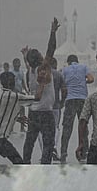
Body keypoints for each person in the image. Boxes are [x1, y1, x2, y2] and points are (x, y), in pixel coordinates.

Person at [21, 19, 61, 164]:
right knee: (48, 144)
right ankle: (45, 166)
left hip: (33, 112)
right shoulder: (43, 69)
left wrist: (25, 55)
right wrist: (53, 32)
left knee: (29, 142)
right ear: (39, 58)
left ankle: (25, 163)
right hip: (45, 112)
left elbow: (28, 62)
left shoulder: (29, 71)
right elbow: (51, 49)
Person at [59, 53, 94, 163]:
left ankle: (63, 153)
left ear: (68, 62)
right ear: (77, 61)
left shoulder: (65, 70)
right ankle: (85, 152)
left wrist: (62, 101)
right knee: (83, 126)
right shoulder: (84, 67)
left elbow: (63, 87)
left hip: (70, 100)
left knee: (67, 128)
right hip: (82, 100)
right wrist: (84, 82)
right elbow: (91, 79)